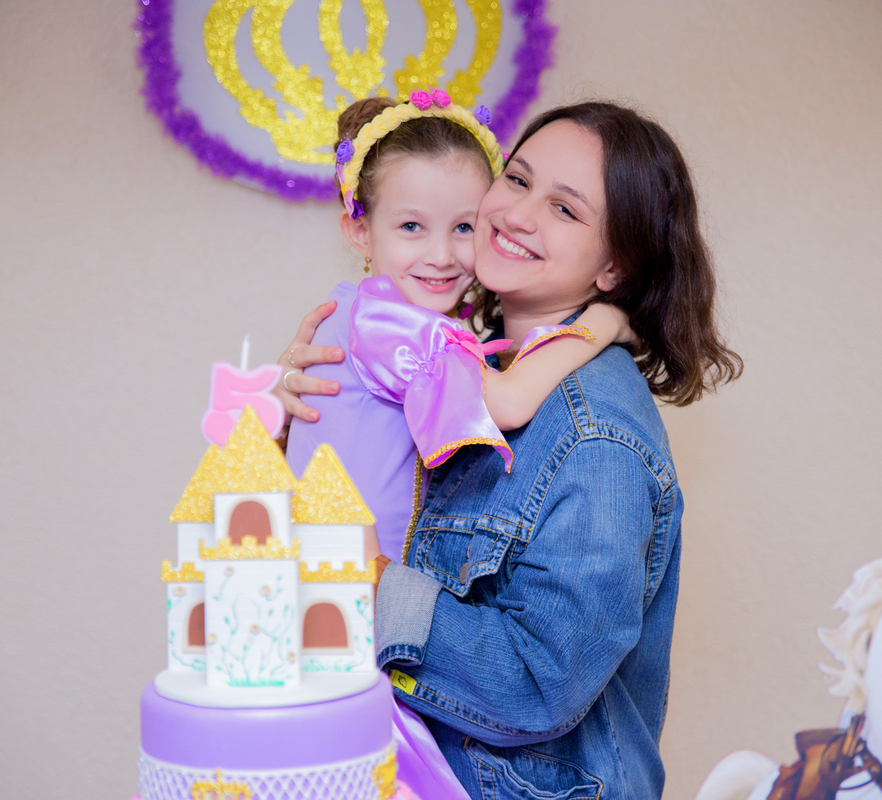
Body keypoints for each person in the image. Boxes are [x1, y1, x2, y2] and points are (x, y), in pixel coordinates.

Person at [280, 102, 741, 799]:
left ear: (614, 265)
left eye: (565, 209)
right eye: (519, 180)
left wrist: (366, 584)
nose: (518, 214)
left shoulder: (593, 434)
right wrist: (301, 420)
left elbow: (540, 680)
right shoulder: (459, 353)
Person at [279, 93, 631, 563]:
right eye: (411, 226)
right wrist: (604, 321)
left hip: (360, 588)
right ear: (361, 231)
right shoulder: (387, 324)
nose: (441, 255)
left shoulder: (385, 316)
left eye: (463, 228)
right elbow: (508, 401)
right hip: (349, 594)